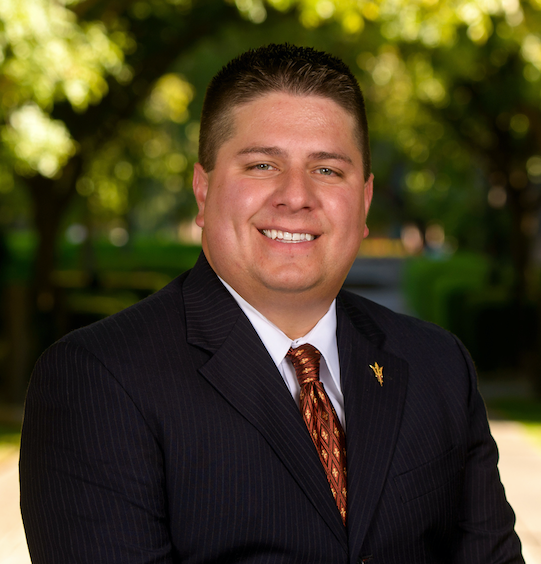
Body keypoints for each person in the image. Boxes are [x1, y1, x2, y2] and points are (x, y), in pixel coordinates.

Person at [20, 43, 524, 564]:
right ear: (203, 189)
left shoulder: (437, 366)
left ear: (366, 201)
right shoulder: (97, 380)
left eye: (327, 170)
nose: (295, 195)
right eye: (262, 164)